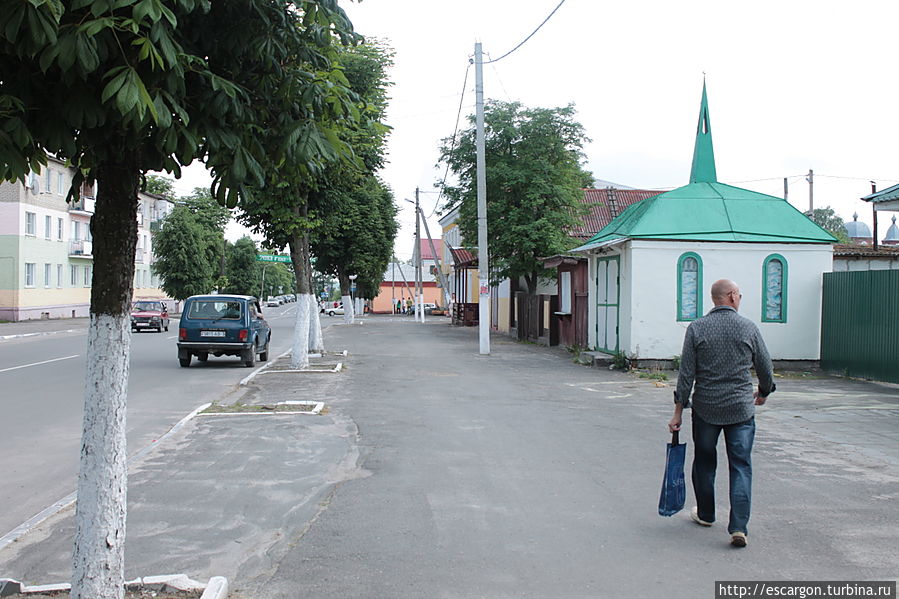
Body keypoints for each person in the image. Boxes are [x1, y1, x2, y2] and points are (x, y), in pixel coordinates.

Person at [668, 279, 775, 548]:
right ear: (730, 296)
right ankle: (738, 527)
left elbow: (686, 375)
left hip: (706, 408)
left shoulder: (697, 328)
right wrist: (763, 392)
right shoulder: (748, 327)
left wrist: (678, 412)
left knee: (704, 462)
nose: (740, 297)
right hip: (740, 409)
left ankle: (705, 514)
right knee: (741, 465)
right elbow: (765, 367)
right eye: (739, 293)